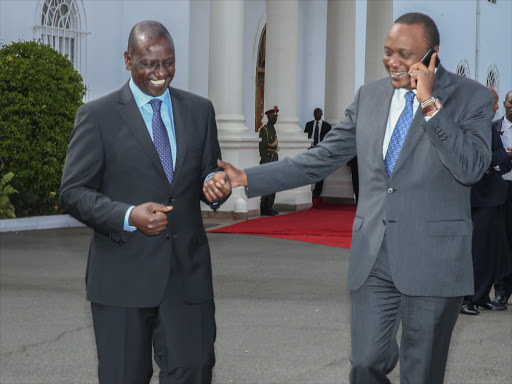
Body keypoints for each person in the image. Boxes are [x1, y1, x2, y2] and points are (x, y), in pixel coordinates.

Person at [206, 12, 493, 384]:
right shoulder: (370, 97)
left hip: (434, 260)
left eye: (405, 54)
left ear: (432, 55)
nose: (393, 62)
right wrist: (246, 177)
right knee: (365, 363)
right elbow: (320, 159)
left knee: (421, 373)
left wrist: (430, 105)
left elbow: (470, 168)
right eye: (388, 52)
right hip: (374, 256)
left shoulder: (470, 98)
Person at [59, 21, 231, 384]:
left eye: (168, 63)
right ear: (128, 60)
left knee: (194, 371)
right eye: (149, 64)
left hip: (187, 275)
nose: (160, 73)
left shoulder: (199, 111)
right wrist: (127, 216)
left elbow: (205, 174)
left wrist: (215, 186)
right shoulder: (97, 116)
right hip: (122, 277)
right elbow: (72, 191)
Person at [460, 88, 510, 315]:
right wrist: (493, 160)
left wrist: (494, 161)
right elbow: (474, 159)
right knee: (476, 252)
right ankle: (466, 299)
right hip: (477, 200)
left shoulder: (489, 128)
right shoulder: (468, 127)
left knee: (492, 251)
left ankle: (481, 296)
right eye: (495, 103)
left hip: (495, 198)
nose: (497, 107)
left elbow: (503, 161)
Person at [493, 90, 512, 305]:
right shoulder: (494, 128)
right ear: (505, 104)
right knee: (502, 242)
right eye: (510, 102)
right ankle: (501, 291)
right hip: (502, 189)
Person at [304, 108, 332, 197]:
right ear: (313, 114)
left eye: (318, 112)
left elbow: (329, 140)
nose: (317, 114)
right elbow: (305, 137)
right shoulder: (308, 125)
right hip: (310, 149)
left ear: (322, 114)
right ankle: (308, 189)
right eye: (315, 112)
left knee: (320, 171)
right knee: (309, 170)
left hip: (321, 150)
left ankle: (317, 192)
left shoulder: (327, 126)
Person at [258, 106, 280, 216]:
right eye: (273, 118)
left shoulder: (273, 129)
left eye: (275, 118)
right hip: (268, 160)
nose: (275, 120)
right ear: (268, 118)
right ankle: (264, 208)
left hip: (274, 158)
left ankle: (269, 207)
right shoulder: (264, 129)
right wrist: (265, 161)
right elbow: (262, 147)